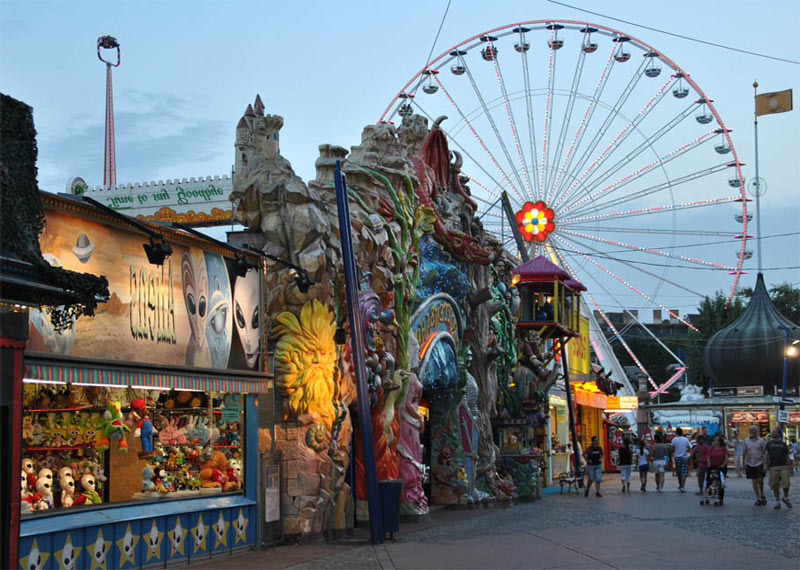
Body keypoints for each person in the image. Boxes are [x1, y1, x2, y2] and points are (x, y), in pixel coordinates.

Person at [764, 428, 793, 509]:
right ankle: (777, 502)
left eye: (775, 432)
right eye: (773, 432)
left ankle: (785, 497)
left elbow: (787, 456)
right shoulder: (769, 443)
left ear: (779, 434)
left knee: (786, 483)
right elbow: (766, 455)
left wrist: (789, 467)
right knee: (775, 485)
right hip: (773, 466)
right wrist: (765, 465)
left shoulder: (783, 444)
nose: (773, 433)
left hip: (783, 466)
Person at [743, 425, 767, 506]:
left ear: (756, 432)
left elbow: (764, 453)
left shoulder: (761, 441)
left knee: (760, 480)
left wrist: (765, 464)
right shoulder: (746, 441)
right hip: (750, 463)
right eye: (750, 430)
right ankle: (758, 498)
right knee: (754, 481)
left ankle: (762, 493)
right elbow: (744, 452)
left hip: (759, 462)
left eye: (753, 430)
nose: (751, 432)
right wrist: (744, 463)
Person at [707, 435, 729, 505]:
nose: (715, 442)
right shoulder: (711, 448)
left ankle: (720, 497)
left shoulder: (723, 448)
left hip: (721, 467)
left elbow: (726, 457)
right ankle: (711, 493)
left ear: (720, 442)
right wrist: (709, 464)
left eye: (716, 440)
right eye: (714, 441)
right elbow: (708, 457)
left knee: (721, 482)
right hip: (713, 467)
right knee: (713, 481)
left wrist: (723, 464)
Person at [670, 427, 691, 492]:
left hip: (677, 457)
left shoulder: (674, 439)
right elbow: (689, 448)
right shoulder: (686, 439)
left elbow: (672, 449)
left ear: (676, 433)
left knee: (678, 472)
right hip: (684, 457)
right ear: (682, 432)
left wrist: (671, 454)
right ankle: (683, 486)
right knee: (684, 472)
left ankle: (680, 485)